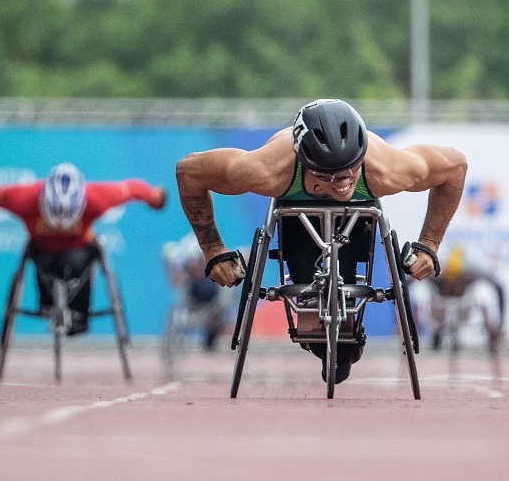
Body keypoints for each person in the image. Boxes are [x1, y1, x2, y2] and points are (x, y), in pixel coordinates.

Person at [175, 98, 467, 384]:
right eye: (330, 175)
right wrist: (213, 249)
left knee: (345, 346)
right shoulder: (268, 169)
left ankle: (346, 342)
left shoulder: (386, 168)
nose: (341, 182)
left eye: (349, 170)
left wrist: (429, 244)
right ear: (304, 160)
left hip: (357, 216)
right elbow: (189, 171)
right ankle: (325, 339)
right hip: (295, 215)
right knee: (312, 322)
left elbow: (455, 167)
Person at [0, 163, 167, 336]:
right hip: (41, 250)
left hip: (79, 250)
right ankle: (47, 304)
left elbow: (132, 189)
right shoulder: (25, 199)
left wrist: (154, 197)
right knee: (43, 259)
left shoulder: (96, 198)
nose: (59, 224)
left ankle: (79, 312)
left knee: (80, 260)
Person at [411, 244, 505, 353]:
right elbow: (406, 283)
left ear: (463, 278)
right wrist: (403, 322)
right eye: (450, 285)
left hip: (464, 305)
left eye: (455, 285)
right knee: (422, 298)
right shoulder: (435, 272)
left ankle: (492, 345)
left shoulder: (472, 272)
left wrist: (500, 324)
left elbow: (499, 287)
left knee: (482, 300)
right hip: (438, 305)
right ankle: (437, 332)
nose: (452, 289)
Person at [161, 233, 231, 353]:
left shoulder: (215, 264)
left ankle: (210, 341)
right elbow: (166, 249)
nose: (197, 267)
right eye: (193, 264)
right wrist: (174, 274)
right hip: (192, 301)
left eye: (200, 263)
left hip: (213, 303)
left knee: (226, 298)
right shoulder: (180, 259)